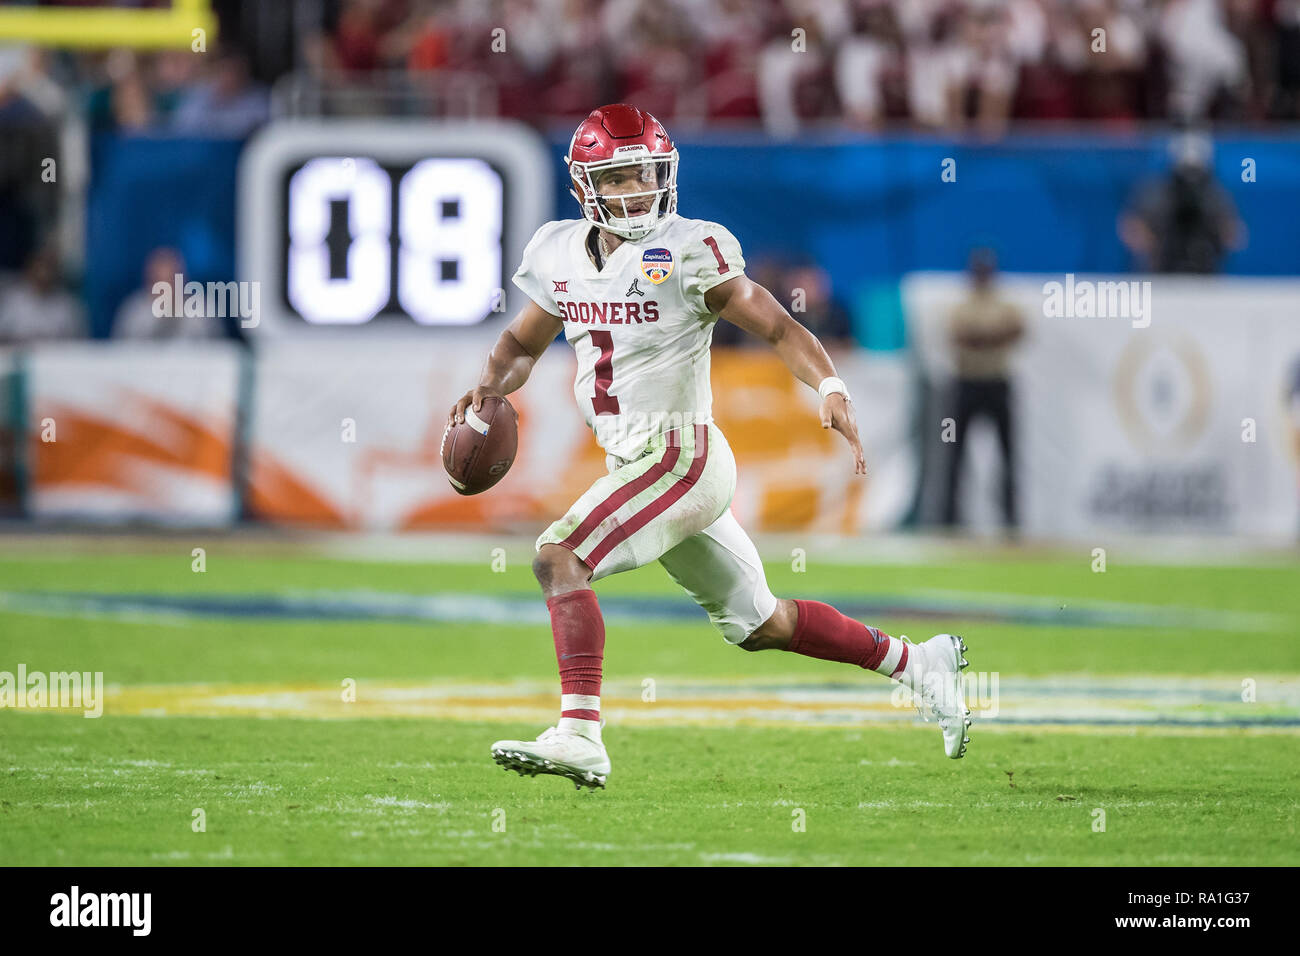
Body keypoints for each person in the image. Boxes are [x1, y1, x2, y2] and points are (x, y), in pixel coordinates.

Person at [448, 104, 971, 790]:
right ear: (585, 186)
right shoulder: (557, 254)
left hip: (680, 455)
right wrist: (487, 389)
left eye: (645, 174)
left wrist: (831, 386)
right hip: (639, 463)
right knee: (760, 622)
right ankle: (916, 663)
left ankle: (579, 734)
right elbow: (521, 344)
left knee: (559, 557)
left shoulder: (688, 248)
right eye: (619, 178)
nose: (635, 190)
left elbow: (780, 328)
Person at [941, 247, 1024, 532]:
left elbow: (1016, 331)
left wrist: (981, 337)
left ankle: (1011, 520)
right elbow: (960, 336)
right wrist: (991, 336)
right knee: (954, 453)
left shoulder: (1003, 305)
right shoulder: (962, 306)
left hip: (997, 382)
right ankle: (950, 519)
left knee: (1008, 455)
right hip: (967, 382)